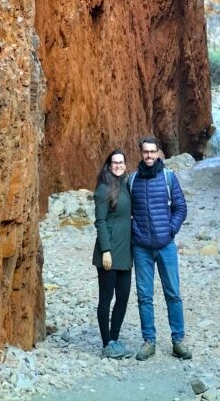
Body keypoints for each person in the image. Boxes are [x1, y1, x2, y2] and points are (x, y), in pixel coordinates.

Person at [129, 136, 191, 361]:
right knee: (144, 296)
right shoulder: (133, 180)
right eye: (145, 152)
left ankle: (178, 341)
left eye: (152, 152)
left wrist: (170, 230)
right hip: (142, 248)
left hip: (166, 246)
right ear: (141, 153)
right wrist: (134, 232)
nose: (149, 156)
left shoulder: (168, 178)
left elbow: (181, 208)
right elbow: (128, 211)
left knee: (173, 293)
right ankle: (149, 341)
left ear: (158, 153)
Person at [92, 150, 135, 358]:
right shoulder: (103, 190)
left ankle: (115, 339)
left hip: (125, 252)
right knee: (106, 298)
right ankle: (106, 343)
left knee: (124, 296)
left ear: (126, 166)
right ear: (109, 166)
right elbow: (100, 222)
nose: (118, 166)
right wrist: (105, 251)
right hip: (108, 253)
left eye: (121, 162)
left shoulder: (126, 186)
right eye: (114, 163)